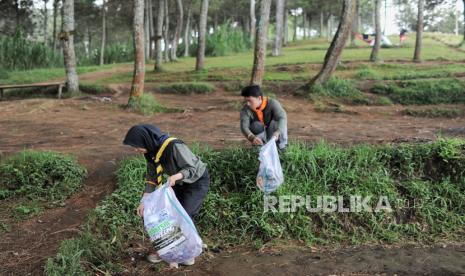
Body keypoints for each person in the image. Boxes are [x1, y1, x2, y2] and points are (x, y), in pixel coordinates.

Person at [123, 124, 209, 266]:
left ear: (145, 140)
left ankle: (187, 252)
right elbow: (152, 176)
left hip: (195, 181)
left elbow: (192, 168)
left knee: (185, 214)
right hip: (177, 182)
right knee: (169, 215)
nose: (135, 150)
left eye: (136, 146)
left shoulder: (173, 146)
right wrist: (144, 200)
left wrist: (177, 176)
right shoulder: (151, 152)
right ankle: (169, 250)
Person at [240, 85, 288, 150]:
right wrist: (252, 137)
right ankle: (259, 148)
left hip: (273, 132)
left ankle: (282, 147)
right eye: (246, 101)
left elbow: (282, 117)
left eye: (250, 101)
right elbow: (244, 126)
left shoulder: (272, 103)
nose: (248, 104)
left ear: (259, 98)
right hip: (260, 134)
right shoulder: (246, 109)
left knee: (278, 122)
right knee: (255, 125)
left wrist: (278, 132)